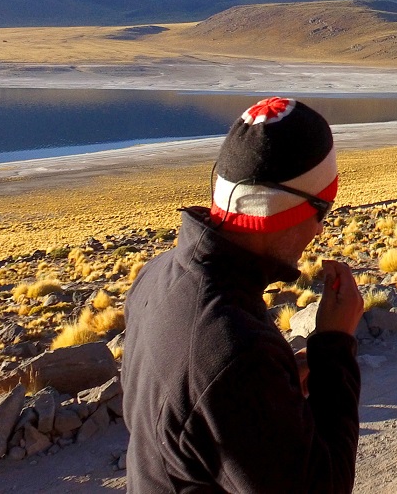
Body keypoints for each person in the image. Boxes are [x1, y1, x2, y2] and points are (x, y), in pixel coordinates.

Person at [123, 96, 364, 494]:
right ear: (283, 210)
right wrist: (335, 347)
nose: (320, 230)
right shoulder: (235, 354)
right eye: (322, 211)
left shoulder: (158, 275)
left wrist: (276, 385)